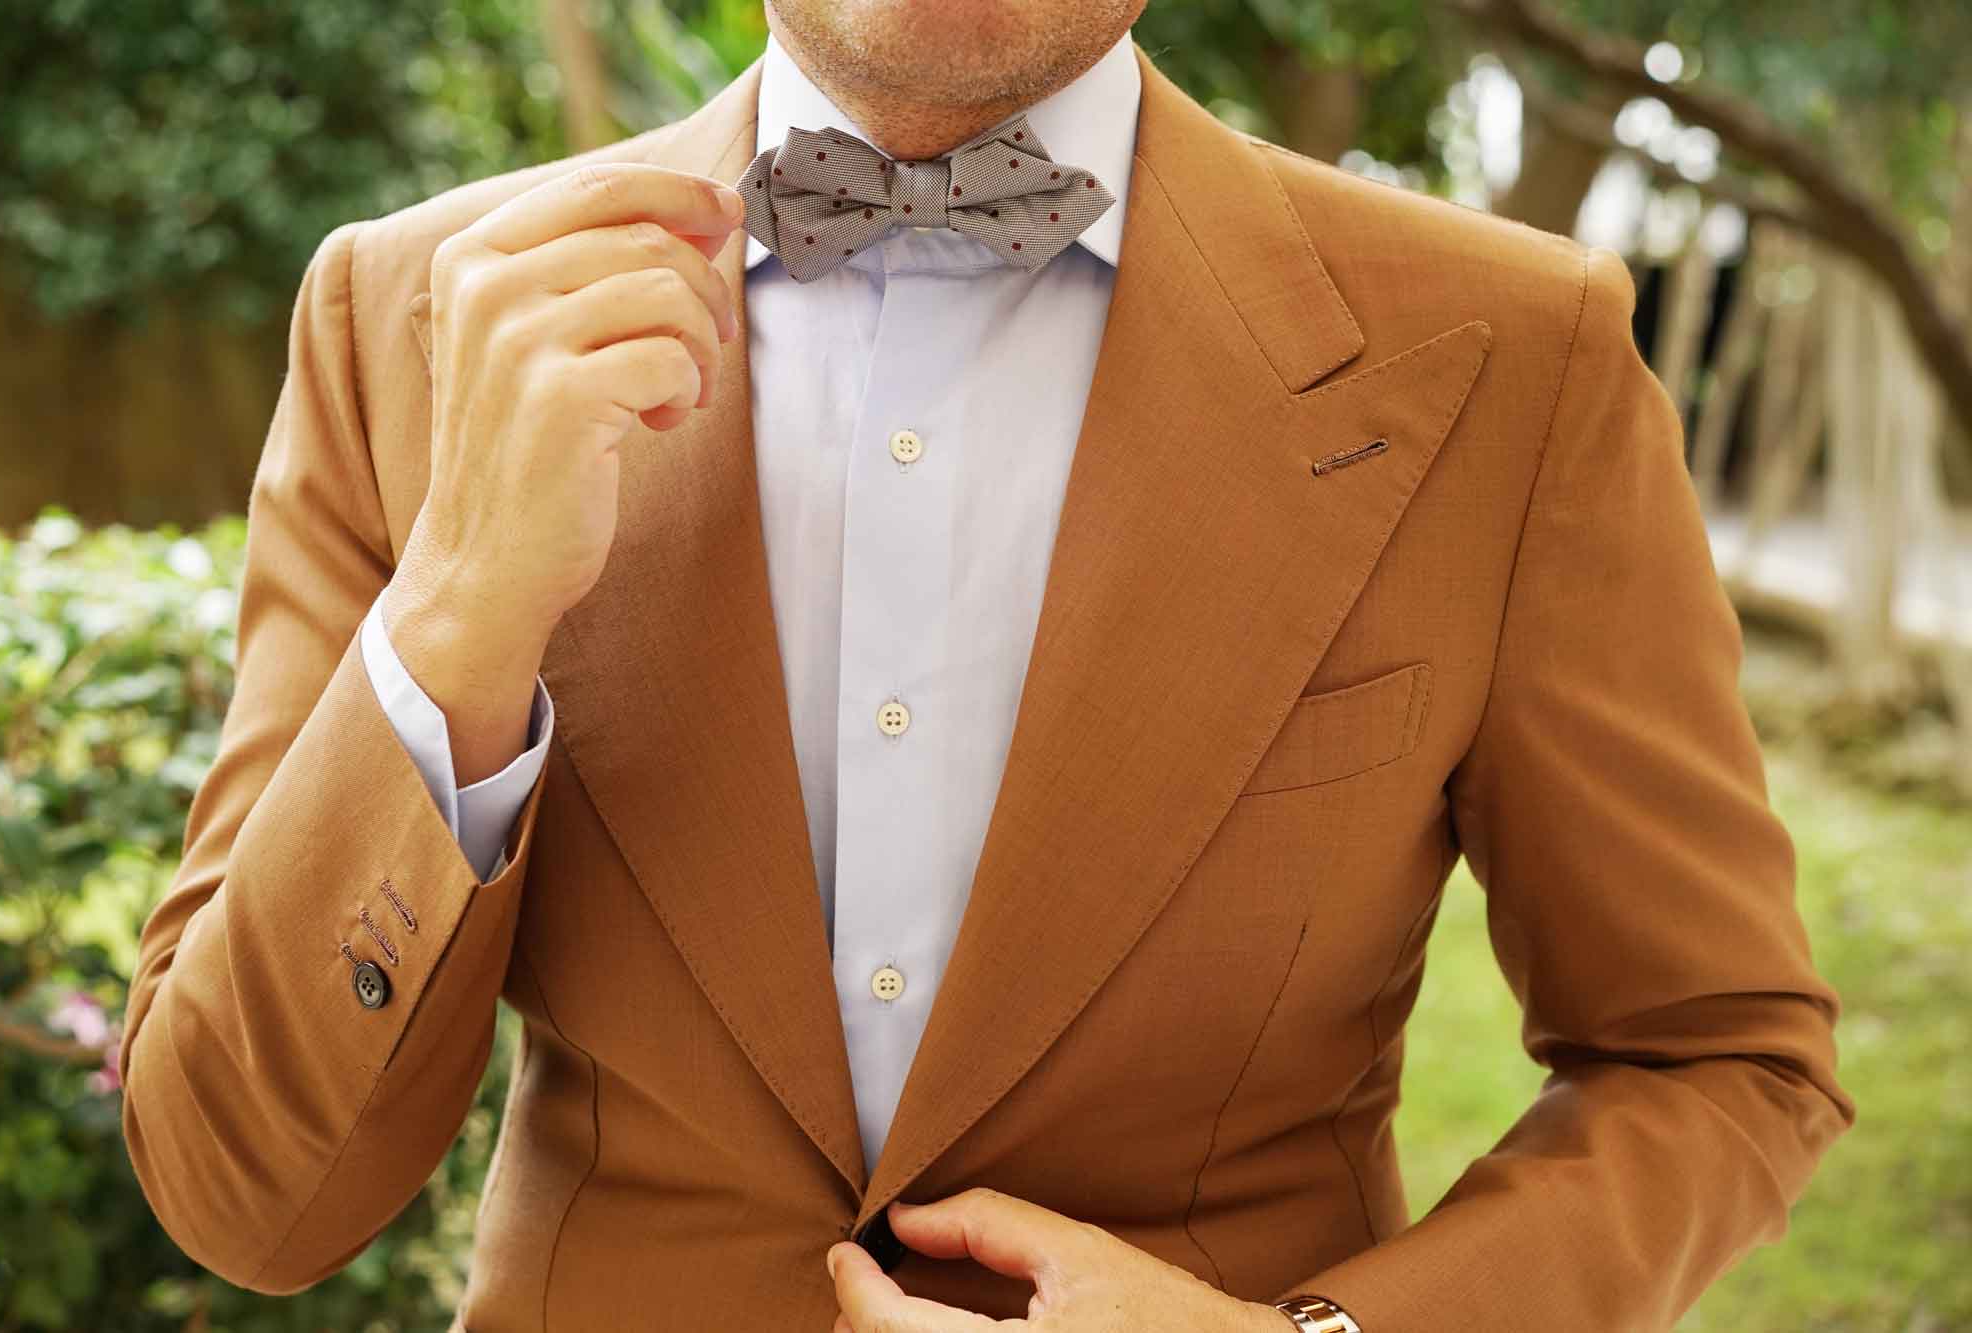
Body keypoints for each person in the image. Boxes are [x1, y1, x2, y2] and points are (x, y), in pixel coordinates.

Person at [117, 1, 1856, 1328]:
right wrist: (459, 615)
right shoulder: (406, 315)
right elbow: (244, 1193)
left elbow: (1719, 1059)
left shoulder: (1514, 360)